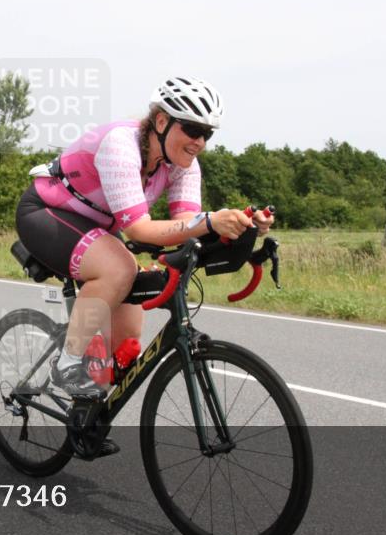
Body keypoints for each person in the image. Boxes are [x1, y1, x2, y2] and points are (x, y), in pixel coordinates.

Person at [15, 75, 274, 399]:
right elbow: (138, 229)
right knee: (119, 269)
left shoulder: (184, 164)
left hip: (99, 229)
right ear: (162, 121)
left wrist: (239, 225)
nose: (200, 142)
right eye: (192, 130)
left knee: (127, 340)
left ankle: (87, 413)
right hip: (46, 212)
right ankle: (66, 364)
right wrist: (210, 221)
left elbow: (186, 224)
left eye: (206, 134)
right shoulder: (121, 144)